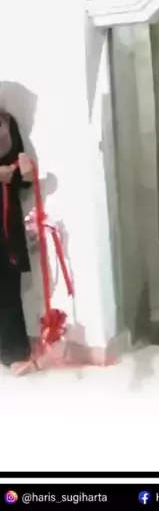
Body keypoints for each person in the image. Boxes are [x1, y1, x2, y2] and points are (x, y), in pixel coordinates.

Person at [0, 110, 37, 376]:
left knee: (8, 282)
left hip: (6, 217)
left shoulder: (7, 122)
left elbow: (19, 179)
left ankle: (14, 352)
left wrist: (26, 175)